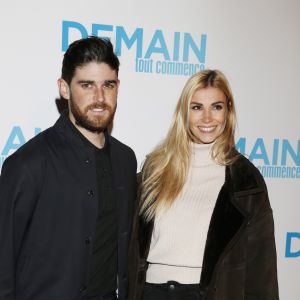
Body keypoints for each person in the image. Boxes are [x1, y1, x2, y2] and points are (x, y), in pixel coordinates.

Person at [0, 36, 137, 300]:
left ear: (117, 86)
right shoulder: (29, 163)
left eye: (108, 85)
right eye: (86, 85)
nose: (99, 97)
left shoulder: (125, 159)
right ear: (64, 88)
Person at [128, 69, 279, 300]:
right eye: (197, 107)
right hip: (151, 292)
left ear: (228, 111)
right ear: (184, 112)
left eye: (216, 107)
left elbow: (261, 269)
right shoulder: (156, 169)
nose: (207, 118)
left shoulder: (246, 181)